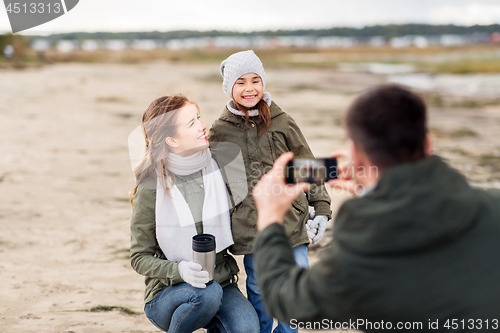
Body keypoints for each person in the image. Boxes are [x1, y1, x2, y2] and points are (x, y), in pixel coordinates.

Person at [251, 84, 500, 332]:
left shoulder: (364, 243)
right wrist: (382, 195)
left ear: (356, 155)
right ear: (427, 144)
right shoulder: (492, 205)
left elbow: (290, 303)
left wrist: (270, 218)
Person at [208, 50, 332, 333]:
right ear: (230, 88)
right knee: (259, 287)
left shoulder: (282, 121)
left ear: (263, 83)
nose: (249, 88)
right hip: (250, 228)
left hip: (291, 221)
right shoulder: (220, 130)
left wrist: (321, 208)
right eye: (241, 82)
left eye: (255, 80)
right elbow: (212, 178)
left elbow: (307, 165)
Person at [130, 94, 259, 333]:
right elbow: (139, 257)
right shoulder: (151, 186)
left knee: (249, 329)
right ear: (172, 140)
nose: (202, 126)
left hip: (221, 282)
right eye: (191, 123)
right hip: (169, 294)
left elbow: (250, 210)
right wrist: (179, 270)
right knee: (207, 295)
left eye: (198, 118)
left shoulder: (218, 168)